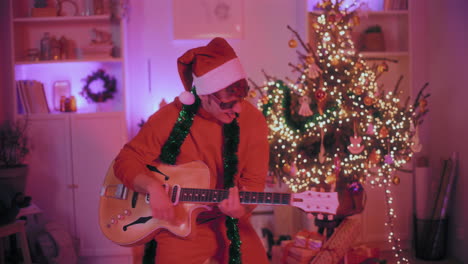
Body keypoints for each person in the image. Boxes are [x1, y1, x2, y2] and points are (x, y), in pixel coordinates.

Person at [113, 37, 270, 264]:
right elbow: (126, 160)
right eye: (227, 103)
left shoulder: (253, 120)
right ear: (204, 95)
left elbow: (254, 184)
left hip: (231, 224)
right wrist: (152, 187)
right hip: (178, 224)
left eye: (240, 100)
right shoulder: (171, 118)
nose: (237, 109)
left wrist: (241, 209)